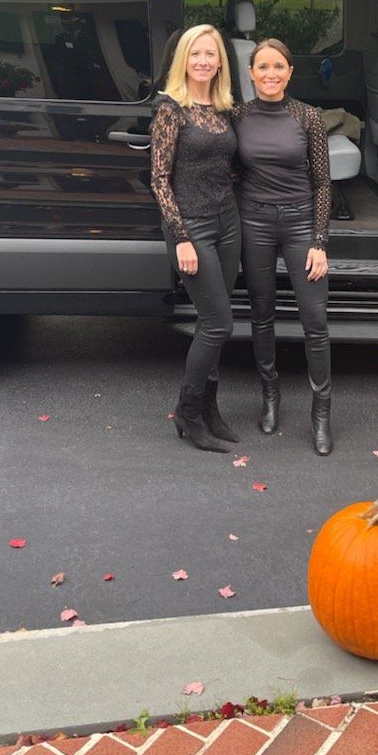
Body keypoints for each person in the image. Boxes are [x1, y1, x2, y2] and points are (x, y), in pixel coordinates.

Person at [233, 39, 333, 454]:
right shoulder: (237, 116)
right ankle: (270, 396)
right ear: (251, 73)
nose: (270, 74)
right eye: (262, 67)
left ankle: (321, 414)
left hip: (299, 221)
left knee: (315, 322)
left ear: (290, 72)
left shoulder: (308, 116)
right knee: (261, 314)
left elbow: (324, 183)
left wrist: (319, 241)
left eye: (279, 66)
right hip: (253, 220)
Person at [150, 24, 241, 453]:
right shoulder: (172, 110)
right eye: (195, 53)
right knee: (220, 322)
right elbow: (159, 180)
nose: (203, 61)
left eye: (211, 53)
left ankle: (209, 409)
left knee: (213, 324)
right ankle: (187, 412)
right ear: (183, 60)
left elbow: (228, 167)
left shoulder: (223, 108)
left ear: (220, 61)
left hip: (228, 223)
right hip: (193, 227)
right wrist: (181, 237)